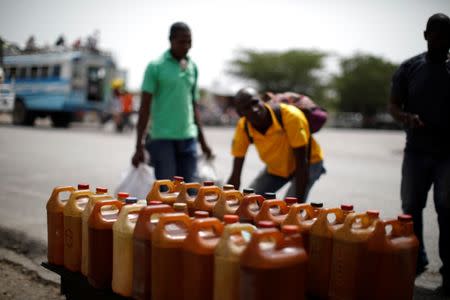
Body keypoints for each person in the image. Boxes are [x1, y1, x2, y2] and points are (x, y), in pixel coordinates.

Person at [388, 13, 450, 294]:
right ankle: (416, 259)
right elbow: (393, 106)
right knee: (410, 207)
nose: (439, 40)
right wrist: (407, 118)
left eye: (445, 34)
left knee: (446, 209)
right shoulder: (409, 68)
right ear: (425, 35)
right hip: (416, 151)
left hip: (447, 154)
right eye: (434, 34)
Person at [132, 22, 212, 183]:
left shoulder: (193, 67)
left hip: (188, 138)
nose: (187, 46)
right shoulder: (155, 66)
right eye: (182, 41)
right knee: (166, 193)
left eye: (189, 41)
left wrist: (203, 142)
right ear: (170, 40)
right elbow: (144, 107)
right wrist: (139, 145)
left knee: (189, 192)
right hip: (161, 138)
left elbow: (193, 105)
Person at [227, 87, 325, 201]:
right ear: (240, 113)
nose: (254, 109)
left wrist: (295, 207)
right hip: (277, 168)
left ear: (262, 100)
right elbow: (236, 173)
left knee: (289, 210)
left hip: (308, 164)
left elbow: (302, 165)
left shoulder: (291, 116)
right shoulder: (243, 127)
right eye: (246, 108)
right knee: (249, 202)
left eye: (255, 102)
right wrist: (227, 201)